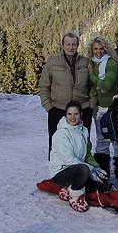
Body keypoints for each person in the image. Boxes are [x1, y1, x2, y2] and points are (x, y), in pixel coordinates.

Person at [39, 32, 95, 160]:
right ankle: (57, 173)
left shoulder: (85, 62)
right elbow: (43, 86)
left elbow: (92, 85)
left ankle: (83, 172)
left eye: (74, 44)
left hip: (83, 109)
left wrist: (91, 105)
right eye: (68, 44)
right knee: (56, 144)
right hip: (58, 109)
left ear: (77, 46)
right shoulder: (53, 63)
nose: (71, 47)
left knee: (82, 144)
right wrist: (49, 107)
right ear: (63, 45)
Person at [49, 101, 109, 212]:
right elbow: (68, 159)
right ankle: (75, 197)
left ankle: (68, 189)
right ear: (65, 115)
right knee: (84, 169)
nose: (72, 117)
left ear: (81, 114)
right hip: (61, 172)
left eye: (75, 114)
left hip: (79, 169)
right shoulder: (61, 134)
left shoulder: (84, 131)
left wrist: (97, 168)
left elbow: (87, 154)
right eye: (69, 114)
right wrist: (90, 169)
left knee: (104, 184)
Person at [87, 36, 118, 181]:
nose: (99, 52)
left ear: (106, 49)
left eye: (102, 48)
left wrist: (92, 76)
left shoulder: (111, 63)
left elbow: (106, 85)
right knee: (102, 141)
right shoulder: (93, 63)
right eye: (96, 49)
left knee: (116, 141)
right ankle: (103, 172)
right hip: (99, 108)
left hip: (113, 108)